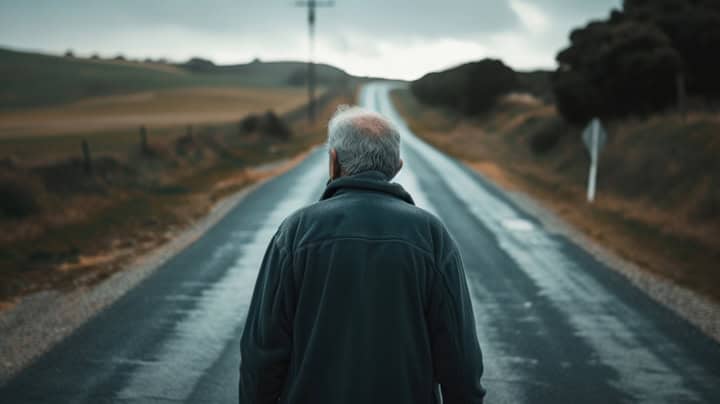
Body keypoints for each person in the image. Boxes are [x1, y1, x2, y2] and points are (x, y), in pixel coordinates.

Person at [239, 105, 485, 404]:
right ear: (397, 166)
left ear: (333, 162)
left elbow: (263, 349)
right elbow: (459, 354)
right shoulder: (432, 235)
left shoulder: (296, 231)